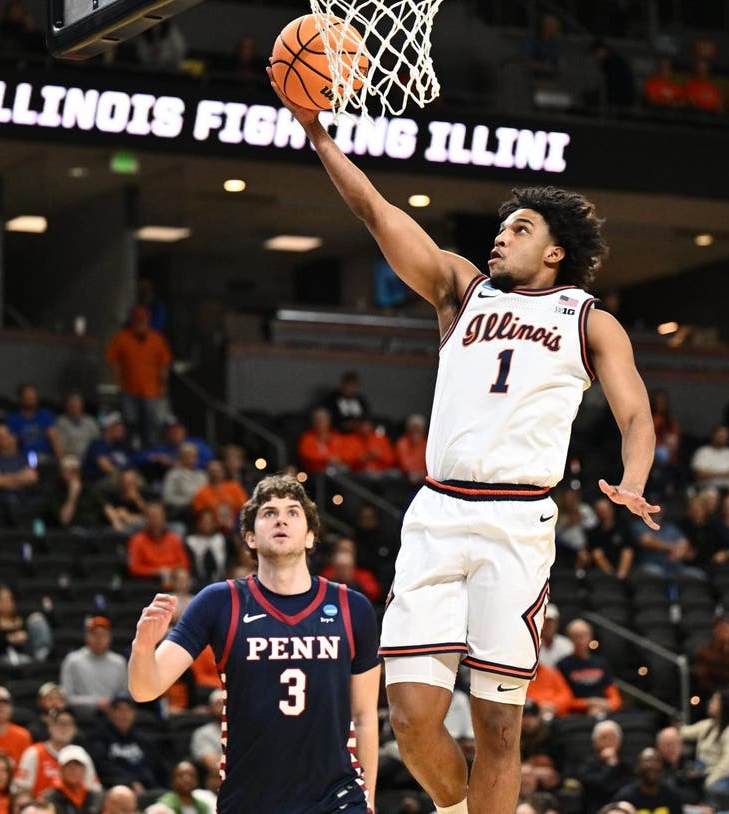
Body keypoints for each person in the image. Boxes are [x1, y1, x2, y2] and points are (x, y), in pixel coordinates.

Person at [269, 66, 658, 814]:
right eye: (501, 228)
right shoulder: (461, 290)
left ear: (555, 252)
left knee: (499, 730)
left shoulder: (589, 319)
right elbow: (376, 211)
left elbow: (636, 416)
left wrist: (634, 477)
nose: (500, 237)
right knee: (411, 720)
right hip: (438, 512)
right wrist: (317, 132)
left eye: (520, 230)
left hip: (517, 522)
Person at [128, 475, 381, 812]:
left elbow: (364, 716)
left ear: (310, 536)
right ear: (250, 536)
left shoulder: (353, 607)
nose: (281, 519)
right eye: (269, 513)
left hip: (336, 799)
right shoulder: (219, 602)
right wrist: (143, 646)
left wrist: (369, 799)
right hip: (249, 798)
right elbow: (145, 689)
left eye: (293, 512)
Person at [106, 306, 172, 447]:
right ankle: (129, 450)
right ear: (132, 321)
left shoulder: (156, 339)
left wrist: (163, 384)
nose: (141, 324)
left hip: (151, 390)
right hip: (129, 389)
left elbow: (164, 364)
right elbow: (112, 361)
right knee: (130, 422)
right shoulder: (122, 338)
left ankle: (149, 450)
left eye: (143, 321)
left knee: (151, 423)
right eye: (138, 321)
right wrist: (117, 381)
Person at [62, 615, 129, 713]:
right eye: (95, 634)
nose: (99, 639)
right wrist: (96, 703)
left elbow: (125, 694)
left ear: (109, 637)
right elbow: (66, 697)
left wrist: (113, 704)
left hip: (113, 715)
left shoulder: (119, 662)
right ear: (87, 636)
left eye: (103, 635)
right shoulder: (73, 660)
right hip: (81, 716)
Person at [611, 747, 685, 814]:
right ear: (637, 767)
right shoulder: (624, 798)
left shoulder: (672, 796)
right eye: (647, 760)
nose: (652, 765)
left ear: (662, 767)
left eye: (656, 760)